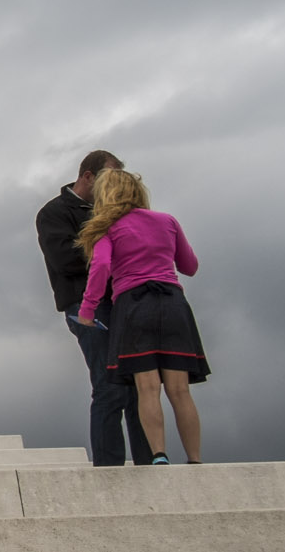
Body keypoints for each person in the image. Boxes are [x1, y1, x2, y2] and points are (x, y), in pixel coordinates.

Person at [76, 168, 208, 465]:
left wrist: (87, 311)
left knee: (147, 389)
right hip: (173, 303)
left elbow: (100, 268)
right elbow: (190, 266)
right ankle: (195, 459)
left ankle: (158, 455)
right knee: (180, 390)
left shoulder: (106, 228)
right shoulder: (167, 221)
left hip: (133, 307)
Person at [37, 150, 153, 466]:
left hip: (124, 301)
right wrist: (109, 251)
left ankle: (149, 462)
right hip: (84, 306)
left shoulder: (115, 211)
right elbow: (65, 259)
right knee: (109, 384)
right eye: (108, 177)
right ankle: (109, 468)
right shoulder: (54, 212)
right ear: (88, 176)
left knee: (139, 385)